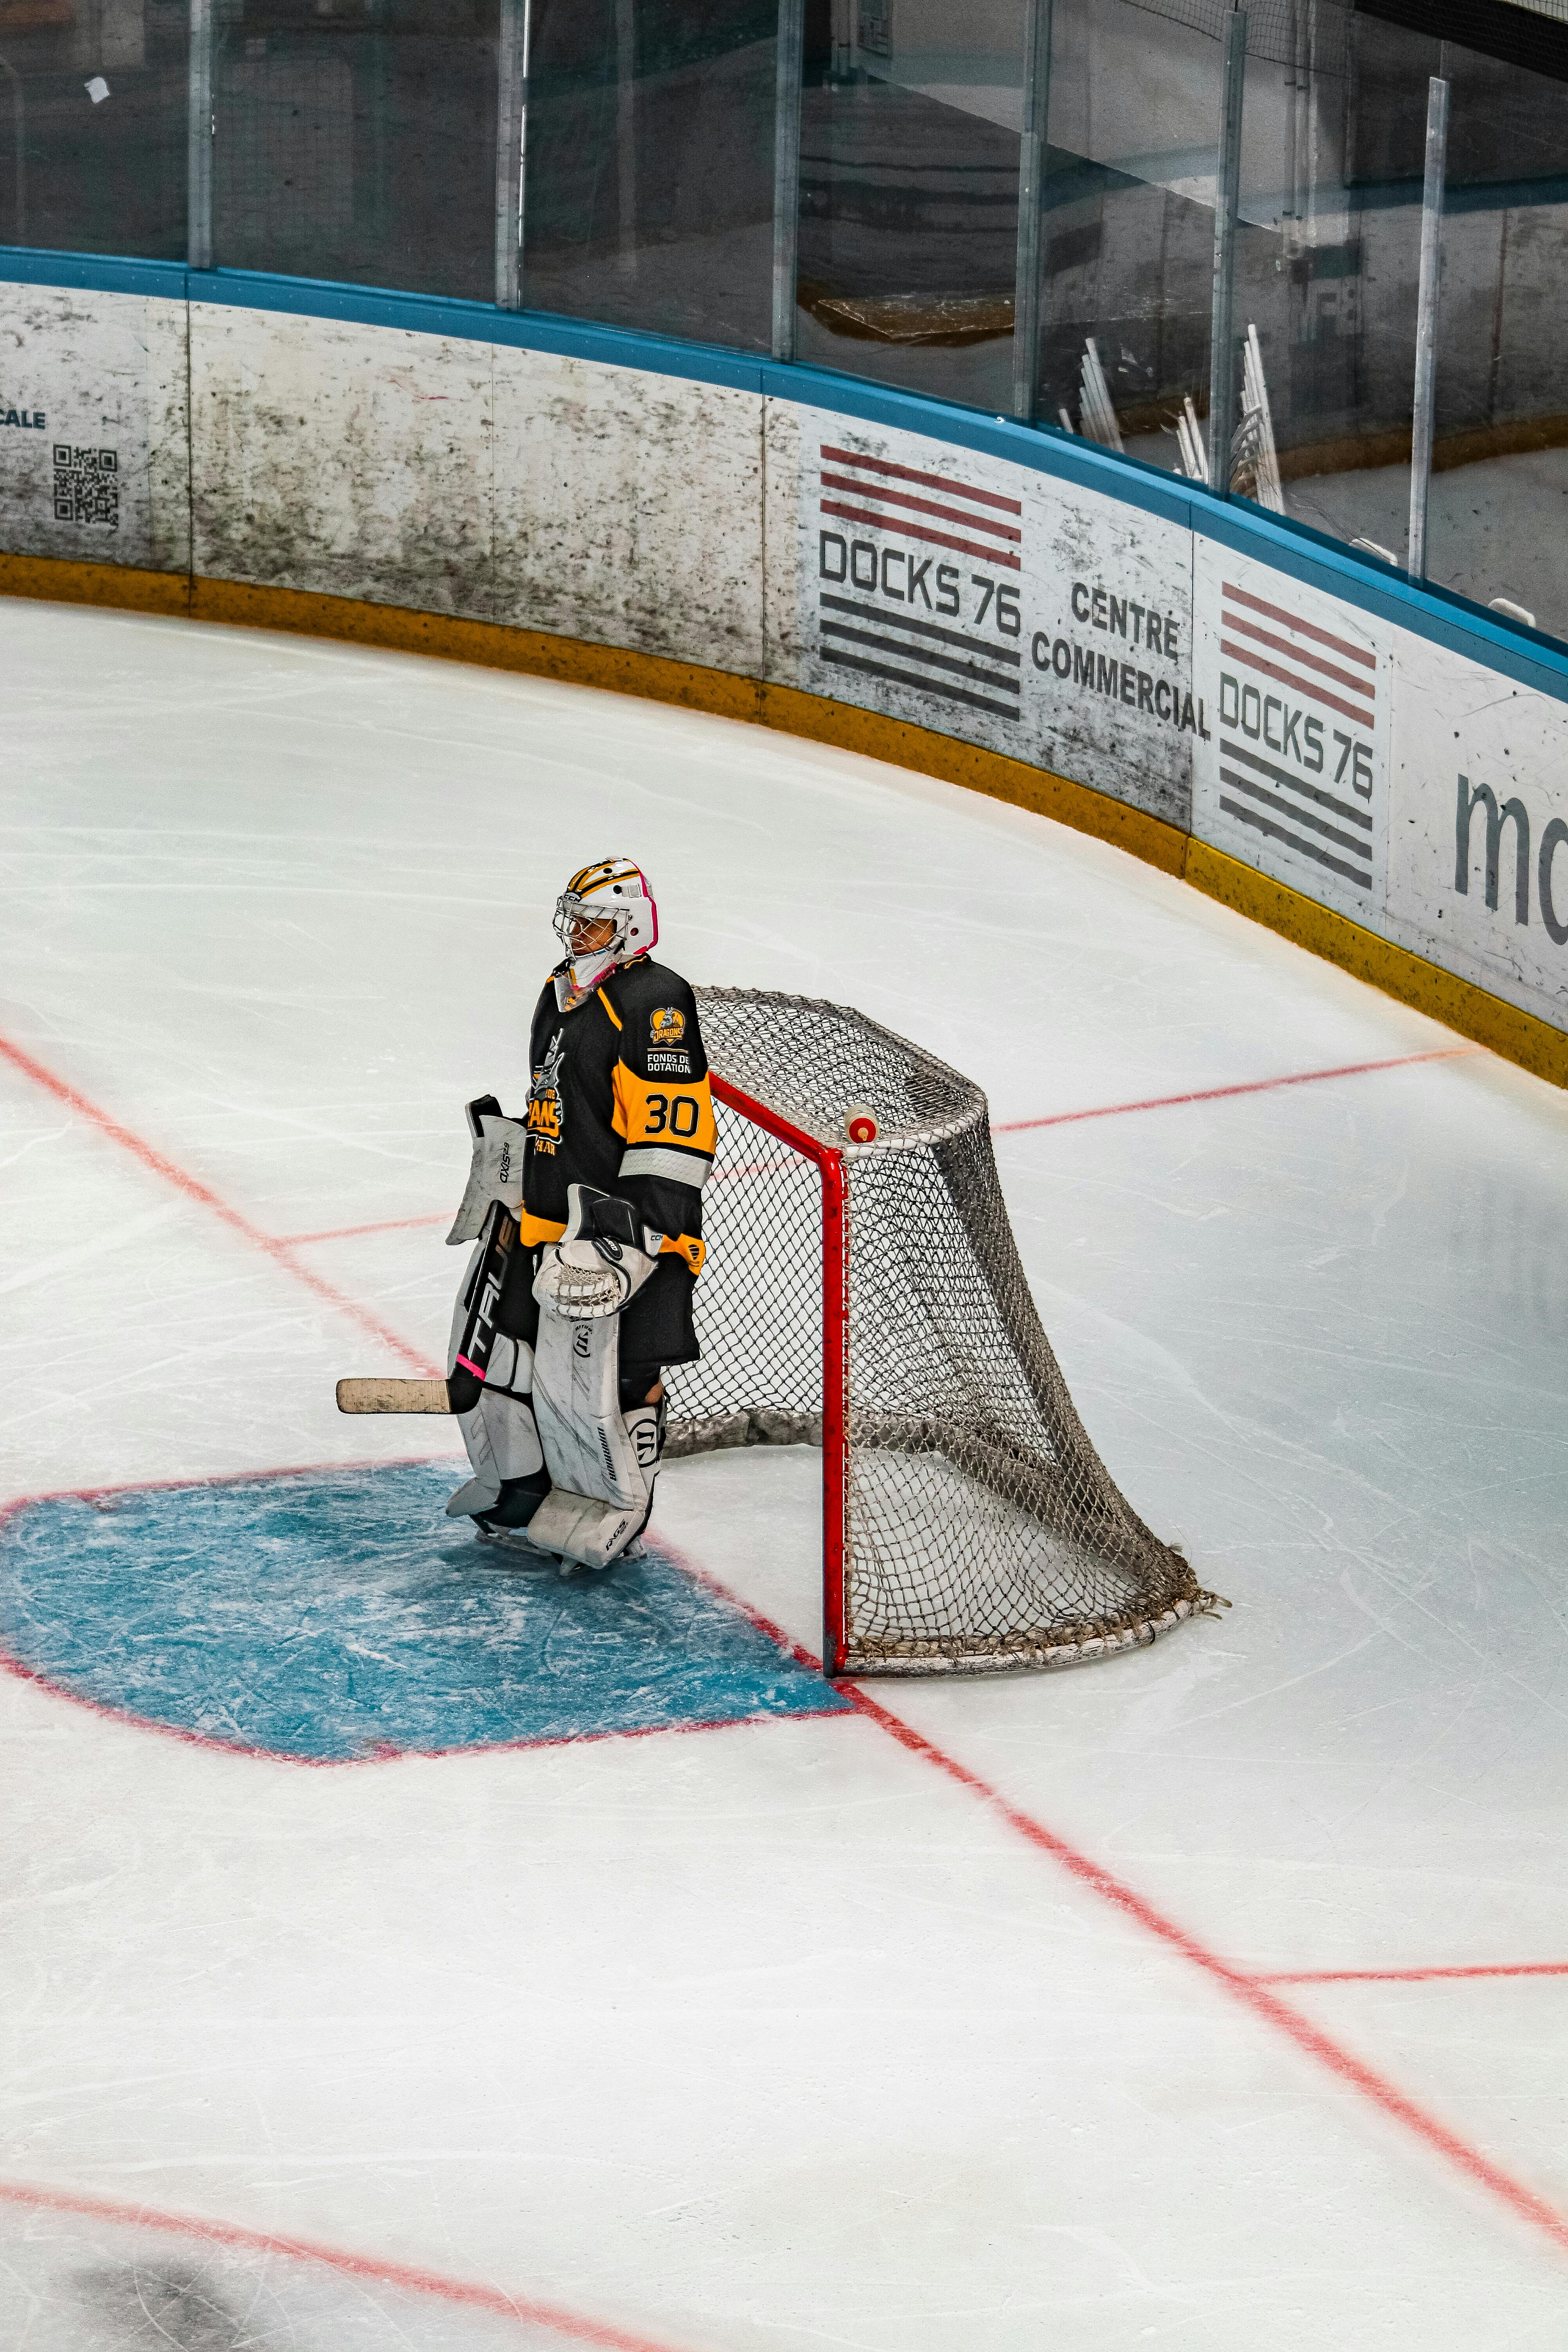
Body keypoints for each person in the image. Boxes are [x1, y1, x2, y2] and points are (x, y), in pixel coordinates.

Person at [442, 857, 715, 1572]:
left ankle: (622, 1505)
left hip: (629, 1238)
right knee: (514, 1354)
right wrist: (514, 1164)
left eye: (593, 923)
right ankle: (527, 1489)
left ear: (630, 927)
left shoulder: (655, 1000)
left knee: (625, 1375)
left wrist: (636, 1239)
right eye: (576, 921)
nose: (578, 935)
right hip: (550, 1225)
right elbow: (557, 1100)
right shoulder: (560, 991)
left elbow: (673, 1133)